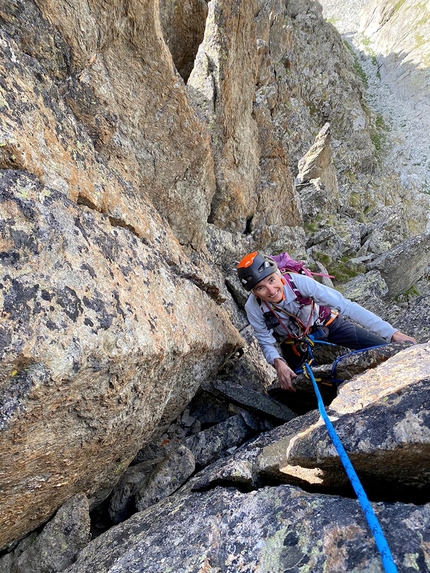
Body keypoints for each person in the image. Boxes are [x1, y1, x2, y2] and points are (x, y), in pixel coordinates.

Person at [237, 251, 416, 392]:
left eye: (271, 280)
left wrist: (392, 333)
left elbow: (347, 307)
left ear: (278, 274)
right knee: (292, 383)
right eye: (260, 288)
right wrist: (278, 363)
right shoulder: (254, 307)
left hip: (327, 322)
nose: (271, 290)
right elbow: (265, 339)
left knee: (384, 349)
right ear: (254, 293)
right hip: (295, 342)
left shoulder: (300, 283)